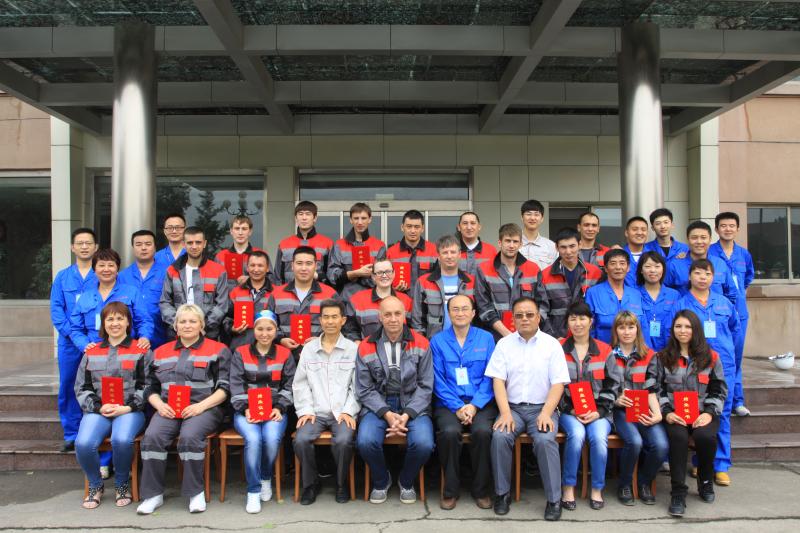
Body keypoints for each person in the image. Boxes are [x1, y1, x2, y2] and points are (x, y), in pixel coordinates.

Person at [137, 304, 231, 515]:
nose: (187, 325)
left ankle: (195, 493)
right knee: (152, 437)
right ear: (175, 326)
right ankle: (153, 494)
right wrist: (159, 405)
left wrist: (200, 407)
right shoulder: (160, 352)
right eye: (183, 321)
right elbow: (149, 387)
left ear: (202, 325)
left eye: (192, 321)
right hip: (168, 409)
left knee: (189, 437)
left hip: (205, 409)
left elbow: (225, 388)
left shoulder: (218, 350)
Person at [486, 297, 570, 520]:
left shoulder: (551, 345)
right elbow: (498, 381)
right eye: (519, 315)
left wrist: (546, 413)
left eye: (530, 315)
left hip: (543, 408)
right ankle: (502, 494)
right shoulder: (504, 344)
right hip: (512, 408)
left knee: (545, 440)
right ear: (513, 319)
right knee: (500, 436)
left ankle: (554, 499)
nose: (525, 319)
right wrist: (505, 413)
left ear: (538, 317)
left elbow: (558, 384)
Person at [355, 296, 434, 505]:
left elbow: (426, 386)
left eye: (397, 313)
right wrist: (388, 414)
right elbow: (364, 389)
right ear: (380, 317)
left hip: (413, 404)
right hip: (378, 405)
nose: (393, 319)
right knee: (365, 442)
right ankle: (382, 480)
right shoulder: (366, 345)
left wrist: (407, 414)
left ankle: (406, 481)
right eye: (387, 314)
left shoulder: (421, 342)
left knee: (424, 444)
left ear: (404, 315)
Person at [73, 301, 147, 509]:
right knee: (83, 443)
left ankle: (122, 482)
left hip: (130, 410)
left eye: (120, 318)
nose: (115, 323)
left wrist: (128, 407)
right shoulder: (91, 352)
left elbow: (148, 385)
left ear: (128, 322)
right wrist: (98, 407)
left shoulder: (140, 350)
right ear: (103, 323)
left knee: (121, 440)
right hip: (98, 411)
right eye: (110, 319)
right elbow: (81, 387)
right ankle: (95, 484)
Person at [673, 259, 739, 487]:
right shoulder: (681, 304)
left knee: (722, 413)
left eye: (707, 273)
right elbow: (670, 336)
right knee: (692, 412)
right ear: (689, 276)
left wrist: (731, 357)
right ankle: (699, 462)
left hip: (723, 364)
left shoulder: (724, 303)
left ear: (713, 277)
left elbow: (735, 331)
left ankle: (720, 465)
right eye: (698, 273)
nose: (702, 277)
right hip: (691, 368)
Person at [657, 310, 727, 517]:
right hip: (674, 414)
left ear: (696, 329)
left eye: (687, 326)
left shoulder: (711, 357)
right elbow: (656, 389)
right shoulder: (663, 358)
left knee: (705, 437)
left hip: (702, 413)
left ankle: (705, 480)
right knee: (678, 438)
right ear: (673, 330)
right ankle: (678, 492)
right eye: (678, 326)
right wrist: (667, 412)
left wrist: (709, 413)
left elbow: (719, 389)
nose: (683, 331)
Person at [430, 295, 497, 511]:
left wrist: (474, 406)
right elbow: (437, 380)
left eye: (465, 309)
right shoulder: (438, 341)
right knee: (449, 433)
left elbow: (491, 376)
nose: (460, 313)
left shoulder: (486, 338)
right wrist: (458, 407)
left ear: (473, 313)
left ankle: (481, 490)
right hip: (449, 402)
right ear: (449, 314)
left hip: (481, 402)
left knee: (483, 432)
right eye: (455, 309)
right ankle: (450, 490)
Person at [292, 299, 359, 505]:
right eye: (326, 317)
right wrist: (306, 410)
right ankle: (311, 484)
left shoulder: (352, 349)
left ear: (343, 320)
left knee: (344, 441)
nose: (330, 321)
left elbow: (357, 386)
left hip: (342, 412)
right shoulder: (309, 349)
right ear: (320, 320)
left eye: (334, 317)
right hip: (316, 412)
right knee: (301, 439)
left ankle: (341, 483)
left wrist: (349, 411)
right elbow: (300, 383)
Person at [229, 309, 295, 514]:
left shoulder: (285, 354)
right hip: (246, 410)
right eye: (260, 329)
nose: (264, 333)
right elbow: (236, 384)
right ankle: (253, 490)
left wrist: (279, 407)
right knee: (254, 439)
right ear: (254, 330)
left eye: (269, 329)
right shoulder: (240, 353)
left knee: (272, 438)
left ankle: (266, 476)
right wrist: (245, 409)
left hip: (275, 410)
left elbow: (290, 385)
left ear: (276, 331)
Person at [557, 302, 615, 511]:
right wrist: (570, 409)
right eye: (573, 318)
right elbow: (553, 385)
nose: (578, 323)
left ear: (591, 322)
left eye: (582, 318)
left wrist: (599, 412)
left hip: (599, 412)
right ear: (567, 322)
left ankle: (597, 488)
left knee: (598, 438)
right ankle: (568, 487)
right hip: (568, 411)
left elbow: (613, 385)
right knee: (576, 435)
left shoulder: (604, 350)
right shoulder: (558, 349)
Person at [607, 311, 667, 506]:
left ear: (637, 330)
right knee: (634, 442)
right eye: (622, 327)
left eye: (631, 327)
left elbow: (652, 389)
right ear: (616, 331)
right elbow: (602, 387)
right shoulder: (607, 354)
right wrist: (616, 400)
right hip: (620, 411)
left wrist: (657, 414)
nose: (626, 332)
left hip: (644, 408)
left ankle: (644, 482)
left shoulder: (650, 356)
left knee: (661, 445)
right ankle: (625, 484)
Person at [51, 227, 98, 452]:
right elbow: (57, 310)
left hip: (96, 341)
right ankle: (72, 434)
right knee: (69, 386)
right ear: (72, 247)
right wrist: (74, 335)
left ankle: (96, 433)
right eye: (80, 243)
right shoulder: (63, 277)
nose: (84, 247)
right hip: (70, 342)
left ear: (96, 247)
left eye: (88, 243)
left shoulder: (102, 273)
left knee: (97, 386)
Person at [709, 212, 754, 417]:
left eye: (732, 226)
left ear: (738, 229)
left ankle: (737, 401)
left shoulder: (744, 254)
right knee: (717, 357)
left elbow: (747, 279)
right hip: (716, 315)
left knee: (735, 356)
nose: (728, 229)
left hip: (739, 314)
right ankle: (716, 398)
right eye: (723, 226)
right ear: (717, 229)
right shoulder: (710, 253)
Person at [69, 248, 153, 354]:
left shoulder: (132, 292)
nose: (106, 269)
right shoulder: (85, 297)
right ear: (94, 269)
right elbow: (75, 328)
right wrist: (84, 345)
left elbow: (144, 320)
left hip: (127, 350)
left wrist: (144, 337)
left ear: (117, 269)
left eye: (111, 265)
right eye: (101, 265)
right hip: (95, 351)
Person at [159, 226, 230, 341]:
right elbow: (165, 302)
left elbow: (222, 305)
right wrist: (178, 323)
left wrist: (203, 325)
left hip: (208, 334)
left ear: (204, 243)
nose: (194, 246)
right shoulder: (172, 270)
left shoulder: (218, 270)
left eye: (198, 242)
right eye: (190, 243)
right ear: (183, 244)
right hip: (177, 335)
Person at [474, 223, 541, 341]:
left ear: (521, 244)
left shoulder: (533, 269)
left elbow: (542, 304)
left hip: (528, 336)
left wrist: (529, 330)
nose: (511, 245)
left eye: (515, 241)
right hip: (494, 336)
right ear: (500, 243)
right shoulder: (483, 269)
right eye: (508, 241)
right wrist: (507, 334)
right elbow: (483, 307)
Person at [268, 246, 339, 356]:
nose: (304, 268)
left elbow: (341, 325)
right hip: (285, 356)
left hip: (320, 356)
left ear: (316, 266)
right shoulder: (276, 294)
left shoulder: (330, 295)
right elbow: (267, 322)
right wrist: (280, 339)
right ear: (292, 266)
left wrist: (322, 339)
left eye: (309, 263)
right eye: (299, 263)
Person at [536, 228, 602, 338]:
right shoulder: (545, 275)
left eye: (572, 246)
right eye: (563, 247)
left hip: (587, 337)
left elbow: (599, 309)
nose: (568, 251)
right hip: (557, 338)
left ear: (580, 245)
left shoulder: (594, 273)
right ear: (556, 247)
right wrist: (552, 338)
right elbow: (542, 311)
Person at [411, 234, 475, 338]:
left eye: (453, 252)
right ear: (438, 256)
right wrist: (423, 343)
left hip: (467, 341)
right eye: (445, 252)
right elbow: (417, 320)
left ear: (459, 254)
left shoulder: (472, 281)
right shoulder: (424, 282)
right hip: (434, 342)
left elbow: (478, 316)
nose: (449, 256)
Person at [664, 221, 738, 305]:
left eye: (703, 237)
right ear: (687, 239)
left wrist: (722, 310)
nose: (699, 241)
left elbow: (731, 293)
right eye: (694, 238)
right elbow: (665, 293)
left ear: (710, 239)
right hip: (685, 312)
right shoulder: (674, 265)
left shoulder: (720, 264)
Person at [584, 249, 647, 345]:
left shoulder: (636, 294)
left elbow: (643, 327)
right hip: (603, 349)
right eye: (613, 263)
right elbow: (588, 327)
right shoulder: (593, 293)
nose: (618, 267)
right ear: (605, 268)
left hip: (632, 351)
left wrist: (646, 350)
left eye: (622, 263)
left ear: (628, 267)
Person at [118, 230, 169, 349]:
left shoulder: (168, 272)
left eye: (148, 244)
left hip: (161, 333)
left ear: (155, 247)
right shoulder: (122, 276)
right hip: (130, 335)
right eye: (139, 244)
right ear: (133, 248)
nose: (143, 248)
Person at [327, 202, 387, 299]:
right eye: (356, 218)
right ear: (351, 220)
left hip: (372, 299)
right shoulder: (339, 245)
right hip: (346, 300)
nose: (360, 222)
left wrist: (365, 276)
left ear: (370, 219)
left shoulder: (379, 245)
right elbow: (332, 276)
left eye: (363, 218)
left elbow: (383, 277)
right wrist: (355, 273)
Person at [344, 259, 412, 341]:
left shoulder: (406, 300)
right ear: (373, 276)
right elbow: (349, 329)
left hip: (399, 347)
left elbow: (412, 329)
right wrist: (357, 342)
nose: (384, 275)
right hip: (368, 348)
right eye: (379, 272)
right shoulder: (357, 299)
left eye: (388, 271)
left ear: (394, 273)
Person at [275, 201, 334, 284]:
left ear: (315, 218)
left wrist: (319, 277)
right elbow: (277, 277)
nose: (304, 218)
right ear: (296, 218)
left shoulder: (327, 243)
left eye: (308, 214)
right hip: (288, 291)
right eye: (300, 214)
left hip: (319, 291)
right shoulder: (284, 244)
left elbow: (332, 277)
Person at [225, 251, 274, 350]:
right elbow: (226, 318)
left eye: (260, 265)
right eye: (252, 265)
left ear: (267, 268)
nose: (256, 269)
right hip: (239, 347)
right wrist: (231, 328)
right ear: (247, 268)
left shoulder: (275, 293)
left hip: (267, 349)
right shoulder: (235, 292)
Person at [214, 215, 276, 289]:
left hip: (253, 296)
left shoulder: (261, 255)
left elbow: (272, 281)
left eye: (244, 229)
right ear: (231, 231)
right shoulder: (220, 256)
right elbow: (215, 282)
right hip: (227, 296)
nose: (240, 233)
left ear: (250, 232)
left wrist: (252, 279)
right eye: (237, 228)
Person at [636, 251, 680, 351]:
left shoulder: (674, 295)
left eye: (657, 266)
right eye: (648, 266)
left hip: (670, 350)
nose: (653, 270)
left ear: (663, 269)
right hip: (642, 350)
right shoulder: (633, 294)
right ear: (641, 270)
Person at [386, 209, 439, 292]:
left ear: (422, 228)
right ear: (402, 227)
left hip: (426, 298)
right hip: (399, 298)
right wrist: (393, 288)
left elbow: (440, 279)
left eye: (417, 227)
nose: (413, 231)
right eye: (409, 226)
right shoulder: (391, 252)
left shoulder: (434, 250)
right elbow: (384, 279)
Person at [519, 199, 557, 269]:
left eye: (536, 214)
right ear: (522, 217)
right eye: (528, 214)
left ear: (542, 218)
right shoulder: (513, 244)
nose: (532, 218)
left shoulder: (551, 247)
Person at [457, 211, 497, 276]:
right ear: (459, 227)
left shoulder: (491, 250)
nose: (469, 227)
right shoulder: (450, 251)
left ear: (479, 227)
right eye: (465, 223)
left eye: (473, 223)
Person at [622, 216, 650, 286]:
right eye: (635, 229)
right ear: (626, 233)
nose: (639, 233)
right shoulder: (618, 256)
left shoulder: (654, 256)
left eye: (643, 229)